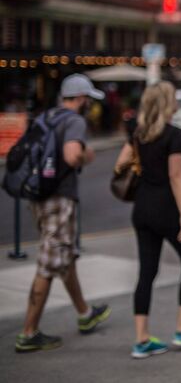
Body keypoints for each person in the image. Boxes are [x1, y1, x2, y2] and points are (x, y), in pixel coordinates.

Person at [15, 74, 111, 353]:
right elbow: (71, 156)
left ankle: (84, 314)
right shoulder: (75, 121)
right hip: (58, 197)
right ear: (80, 98)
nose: (89, 105)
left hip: (39, 195)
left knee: (64, 256)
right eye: (88, 100)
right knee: (49, 262)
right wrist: (86, 155)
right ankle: (28, 332)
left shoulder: (47, 117)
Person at [114, 81, 181, 359]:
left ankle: (142, 340)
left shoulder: (137, 132)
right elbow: (175, 176)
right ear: (167, 103)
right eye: (175, 96)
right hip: (166, 209)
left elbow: (119, 165)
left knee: (146, 273)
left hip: (141, 209)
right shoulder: (174, 135)